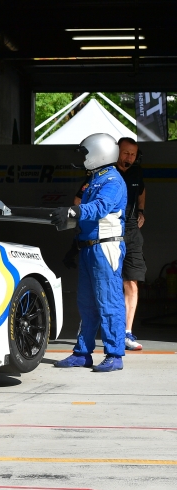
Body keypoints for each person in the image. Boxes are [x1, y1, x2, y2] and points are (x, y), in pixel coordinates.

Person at [52, 133, 127, 372]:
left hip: (105, 247)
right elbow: (88, 218)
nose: (82, 158)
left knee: (109, 301)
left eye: (85, 153)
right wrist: (75, 245)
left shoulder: (112, 180)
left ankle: (115, 355)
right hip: (89, 247)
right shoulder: (95, 179)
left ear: (98, 152)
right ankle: (82, 353)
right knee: (86, 304)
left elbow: (100, 207)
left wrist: (73, 212)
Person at [73, 137, 146, 350]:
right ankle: (83, 349)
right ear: (115, 151)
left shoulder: (119, 178)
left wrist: (141, 211)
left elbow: (105, 204)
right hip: (96, 239)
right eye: (126, 153)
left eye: (133, 154)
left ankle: (121, 340)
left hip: (117, 237)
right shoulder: (97, 176)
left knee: (122, 287)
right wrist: (76, 215)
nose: (129, 158)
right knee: (90, 296)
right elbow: (79, 200)